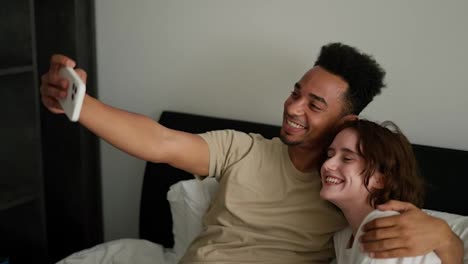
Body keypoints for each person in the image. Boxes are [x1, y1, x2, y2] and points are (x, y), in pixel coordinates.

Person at [40, 43, 463, 263]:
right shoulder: (242, 149)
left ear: (347, 122)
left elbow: (416, 242)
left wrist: (444, 237)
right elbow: (161, 142)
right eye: (297, 92)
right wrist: (79, 105)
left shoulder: (348, 189)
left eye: (315, 105)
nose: (293, 108)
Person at [320, 119, 450, 263]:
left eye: (347, 158)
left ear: (381, 179)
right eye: (330, 155)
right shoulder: (344, 236)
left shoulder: (387, 229)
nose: (327, 164)